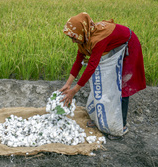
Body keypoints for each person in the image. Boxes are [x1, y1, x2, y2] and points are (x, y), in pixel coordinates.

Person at [59, 12, 146, 140]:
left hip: (128, 46)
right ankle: (101, 119)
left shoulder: (98, 39)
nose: (73, 41)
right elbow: (78, 61)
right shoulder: (85, 37)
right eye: (72, 38)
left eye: (74, 38)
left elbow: (91, 67)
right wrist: (67, 84)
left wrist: (74, 91)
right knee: (105, 81)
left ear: (82, 31)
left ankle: (121, 126)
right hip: (113, 47)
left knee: (122, 85)